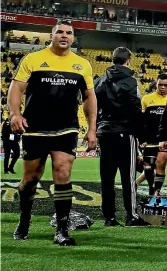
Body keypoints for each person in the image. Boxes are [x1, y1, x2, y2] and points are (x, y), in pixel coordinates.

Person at [10, 20, 98, 245]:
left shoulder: (82, 65)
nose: (64, 35)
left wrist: (91, 129)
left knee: (62, 171)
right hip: (35, 127)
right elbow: (16, 87)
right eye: (60, 31)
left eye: (69, 33)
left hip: (66, 127)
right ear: (52, 34)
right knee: (31, 178)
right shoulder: (33, 59)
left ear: (73, 37)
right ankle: (24, 219)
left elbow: (89, 97)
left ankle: (62, 229)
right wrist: (15, 114)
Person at [95, 47, 149, 227]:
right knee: (128, 177)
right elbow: (135, 109)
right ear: (128, 60)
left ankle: (109, 217)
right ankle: (131, 215)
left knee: (107, 177)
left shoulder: (99, 81)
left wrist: (96, 130)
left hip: (104, 132)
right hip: (125, 133)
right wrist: (141, 135)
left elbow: (93, 109)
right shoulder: (131, 81)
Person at [136, 74, 167, 197]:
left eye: (165, 85)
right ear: (156, 84)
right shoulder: (147, 99)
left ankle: (156, 191)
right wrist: (142, 138)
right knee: (148, 168)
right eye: (160, 85)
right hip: (149, 139)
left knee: (160, 163)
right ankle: (151, 188)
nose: (162, 87)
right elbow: (142, 121)